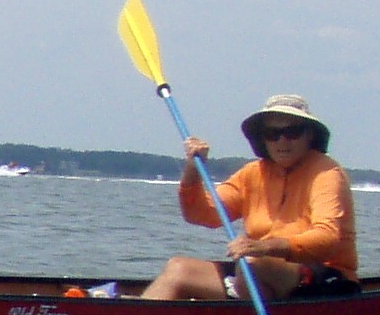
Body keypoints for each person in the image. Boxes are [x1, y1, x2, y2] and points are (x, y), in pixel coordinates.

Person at [141, 93, 358, 301]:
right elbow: (202, 214)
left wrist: (266, 247)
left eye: (292, 132)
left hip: (326, 278)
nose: (282, 141)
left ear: (309, 135)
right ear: (262, 138)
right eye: (272, 134)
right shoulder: (253, 173)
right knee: (178, 268)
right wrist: (192, 170)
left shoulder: (327, 173)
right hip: (257, 275)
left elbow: (327, 239)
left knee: (253, 264)